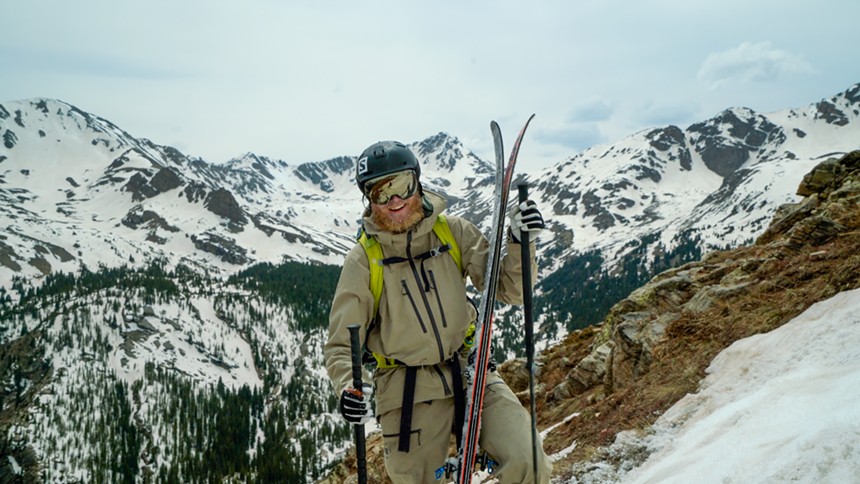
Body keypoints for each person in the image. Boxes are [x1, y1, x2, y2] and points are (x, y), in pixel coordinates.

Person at [325, 140, 553, 483]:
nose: (395, 201)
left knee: (529, 462)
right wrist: (347, 387)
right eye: (380, 194)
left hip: (469, 372)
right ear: (368, 201)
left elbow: (509, 289)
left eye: (401, 186)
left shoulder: (453, 232)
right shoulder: (364, 259)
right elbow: (341, 343)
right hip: (406, 391)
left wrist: (522, 242)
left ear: (417, 182)